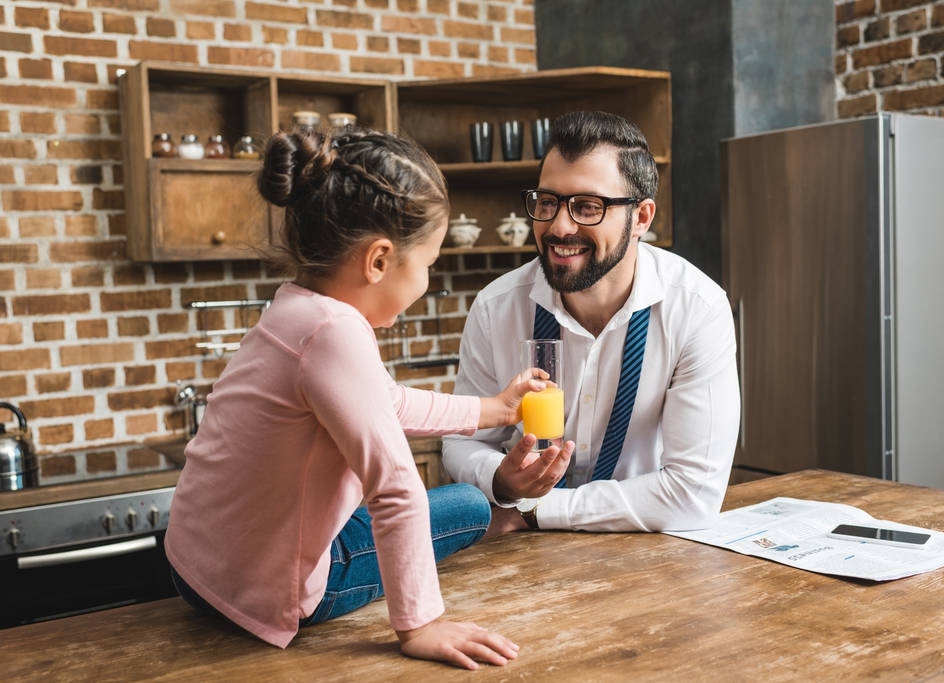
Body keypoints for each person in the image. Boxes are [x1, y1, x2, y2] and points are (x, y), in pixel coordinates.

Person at [165, 127, 541, 670]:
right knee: (470, 504)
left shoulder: (296, 308)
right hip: (262, 594)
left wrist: (494, 410)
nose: (428, 284)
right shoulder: (335, 334)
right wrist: (420, 626)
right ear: (379, 260)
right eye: (429, 265)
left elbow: (385, 401)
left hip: (195, 568)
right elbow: (394, 489)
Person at [443, 110, 740, 535]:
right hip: (517, 559)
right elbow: (463, 441)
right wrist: (501, 480)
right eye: (548, 202)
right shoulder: (496, 308)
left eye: (587, 206)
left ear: (641, 218)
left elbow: (692, 494)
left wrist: (535, 511)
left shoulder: (697, 309)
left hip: (647, 555)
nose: (559, 226)